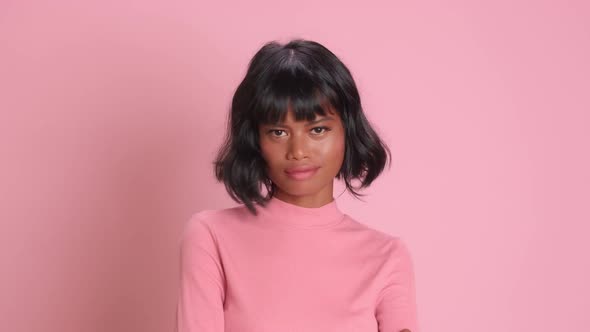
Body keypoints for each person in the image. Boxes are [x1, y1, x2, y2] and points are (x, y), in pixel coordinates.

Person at [175, 39, 420, 332]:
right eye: (278, 132)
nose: (298, 150)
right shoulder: (211, 236)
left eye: (318, 129)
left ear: (347, 131)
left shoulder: (387, 256)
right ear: (256, 140)